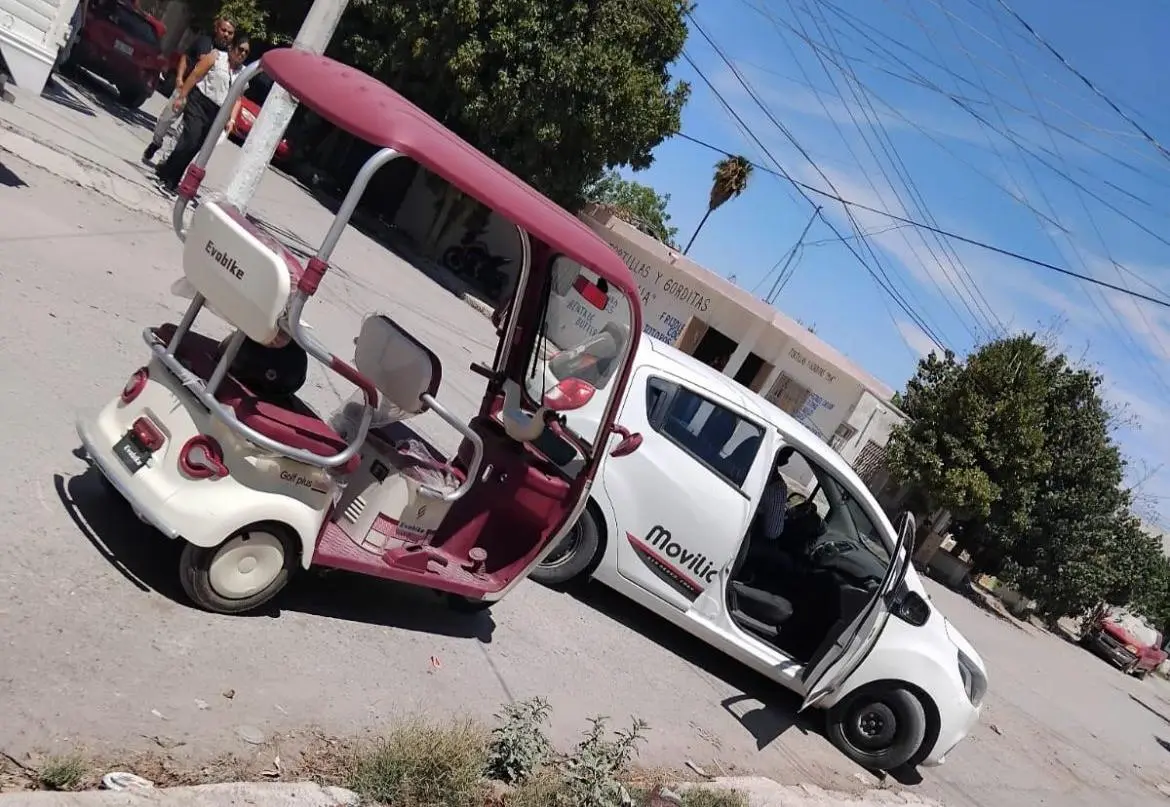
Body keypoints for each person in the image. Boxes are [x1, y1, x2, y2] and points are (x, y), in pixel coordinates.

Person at [155, 31, 249, 195]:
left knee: (195, 148)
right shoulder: (216, 57)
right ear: (232, 48)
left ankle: (170, 178)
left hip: (217, 113)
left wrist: (231, 120)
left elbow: (238, 99)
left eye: (246, 52)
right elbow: (196, 74)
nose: (242, 54)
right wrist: (181, 96)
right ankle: (166, 177)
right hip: (199, 102)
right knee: (190, 139)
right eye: (240, 49)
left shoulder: (243, 73)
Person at [142, 17, 234, 165]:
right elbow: (185, 57)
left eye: (230, 33)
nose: (226, 35)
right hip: (185, 88)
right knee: (165, 119)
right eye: (224, 30)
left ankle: (165, 162)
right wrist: (179, 78)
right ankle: (156, 142)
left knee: (182, 132)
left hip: (199, 98)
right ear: (217, 29)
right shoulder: (204, 42)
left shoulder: (228, 56)